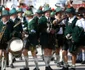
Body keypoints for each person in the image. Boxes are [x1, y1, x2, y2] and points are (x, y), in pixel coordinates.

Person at [38, 4, 55, 70]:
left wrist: (54, 30)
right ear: (44, 13)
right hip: (44, 37)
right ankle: (46, 65)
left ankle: (48, 64)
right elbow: (39, 28)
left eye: (49, 12)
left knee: (50, 51)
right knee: (46, 50)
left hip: (51, 37)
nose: (48, 13)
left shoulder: (53, 19)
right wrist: (46, 30)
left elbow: (57, 27)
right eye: (46, 12)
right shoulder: (41, 19)